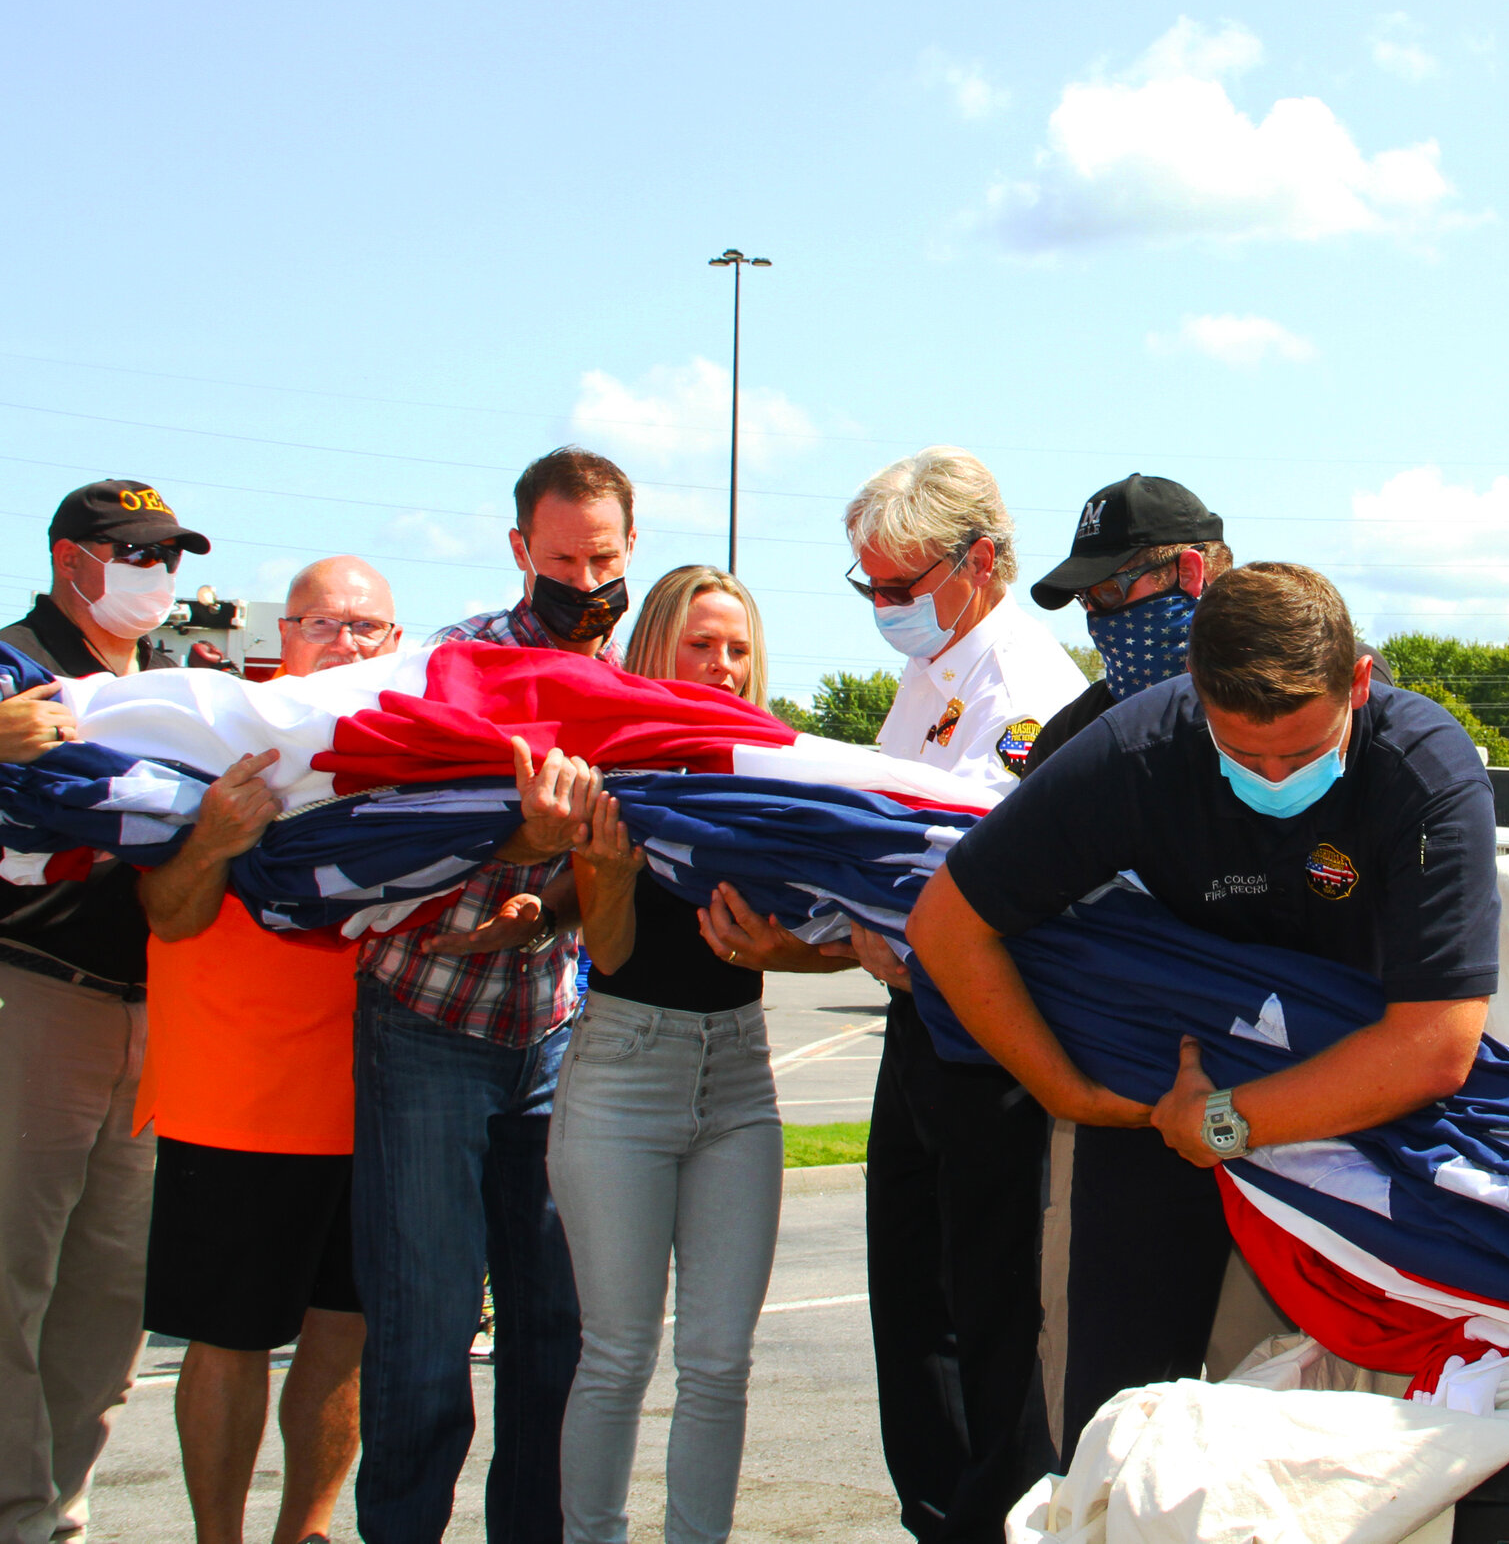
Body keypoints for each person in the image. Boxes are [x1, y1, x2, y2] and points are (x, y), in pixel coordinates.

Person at [905, 559, 1499, 1297]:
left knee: (1344, 1389)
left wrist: (1226, 1120)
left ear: (1359, 683)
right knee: (1119, 1386)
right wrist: (1068, 1092)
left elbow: (1435, 1045)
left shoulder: (1422, 765)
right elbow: (947, 923)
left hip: (1359, 1099)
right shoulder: (1138, 749)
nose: (1276, 777)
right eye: (1243, 755)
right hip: (1161, 1104)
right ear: (1195, 688)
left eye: (1307, 753)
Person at [765, 447, 1084, 1544]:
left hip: (988, 1035)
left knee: (984, 1307)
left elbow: (993, 881)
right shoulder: (929, 671)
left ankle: (986, 1517)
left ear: (979, 559)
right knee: (909, 1300)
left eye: (898, 587)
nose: (883, 610)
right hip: (916, 1017)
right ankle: (936, 1513)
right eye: (869, 588)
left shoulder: (1025, 686)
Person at [352, 446, 630, 1544]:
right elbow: (423, 832)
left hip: (555, 1033)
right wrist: (527, 839)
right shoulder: (462, 661)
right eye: (560, 557)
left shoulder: (634, 677)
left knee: (554, 1337)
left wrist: (561, 892)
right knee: (422, 1337)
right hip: (431, 1021)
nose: (583, 577)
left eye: (602, 555)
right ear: (521, 550)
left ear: (628, 546)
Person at [131, 556, 401, 1544]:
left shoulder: (409, 748)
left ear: (397, 643)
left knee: (346, 1333)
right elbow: (165, 913)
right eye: (321, 622)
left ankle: (308, 1531)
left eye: (366, 627)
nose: (344, 643)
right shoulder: (214, 739)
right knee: (231, 1336)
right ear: (279, 635)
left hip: (379, 1082)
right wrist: (209, 838)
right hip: (237, 1090)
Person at [547, 566, 784, 1544]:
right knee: (617, 1354)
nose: (720, 664)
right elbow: (606, 949)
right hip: (623, 1070)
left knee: (720, 1360)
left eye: (735, 647)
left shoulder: (771, 770)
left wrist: (786, 947)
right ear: (654, 649)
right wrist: (603, 869)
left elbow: (813, 932)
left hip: (741, 1074)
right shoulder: (607, 764)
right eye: (699, 643)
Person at [0, 479, 207, 1544]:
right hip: (33, 987)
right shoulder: (11, 669)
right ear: (70, 558)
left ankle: (58, 1512)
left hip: (150, 1005)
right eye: (136, 553)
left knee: (108, 1295)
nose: (157, 576)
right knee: (10, 1279)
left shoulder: (176, 687)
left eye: (169, 557)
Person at [1019, 475, 1239, 1459]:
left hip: (1300, 1123)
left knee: (1272, 1432)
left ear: (1197, 572)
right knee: (1112, 1433)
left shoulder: (1315, 710)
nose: (1105, 619)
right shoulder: (1073, 741)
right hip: (1123, 1127)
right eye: (1090, 604)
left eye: (1120, 591)